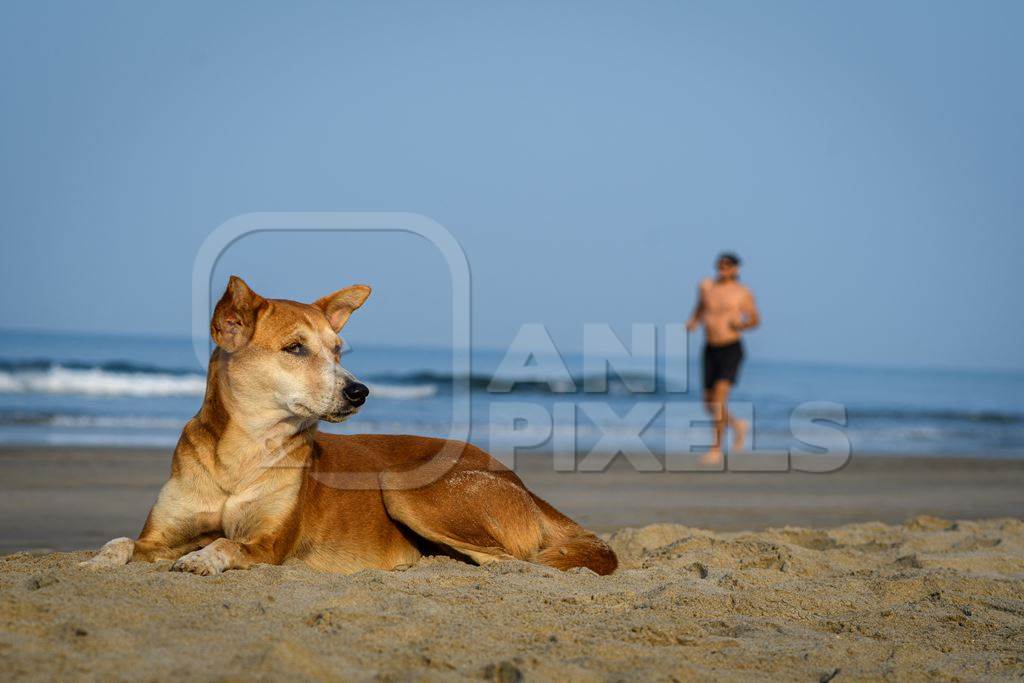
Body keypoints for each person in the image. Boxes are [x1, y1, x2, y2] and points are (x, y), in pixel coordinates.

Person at [686, 252, 760, 461]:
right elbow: (699, 308)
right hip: (710, 348)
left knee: (719, 399)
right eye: (719, 266)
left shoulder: (742, 293)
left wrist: (742, 325)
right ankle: (738, 425)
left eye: (727, 266)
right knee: (708, 403)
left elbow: (755, 319)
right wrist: (693, 321)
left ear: (736, 269)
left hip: (731, 348)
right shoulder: (706, 287)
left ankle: (715, 449)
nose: (722, 270)